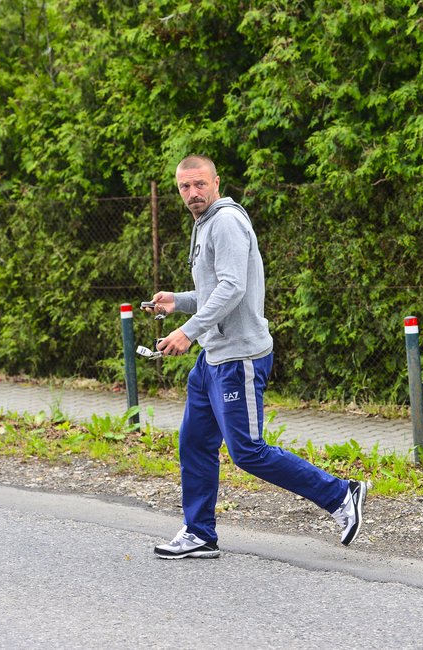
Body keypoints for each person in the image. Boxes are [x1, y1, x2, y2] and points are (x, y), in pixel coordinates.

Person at [143, 154, 368, 560]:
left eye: (199, 185)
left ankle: (340, 493)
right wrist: (178, 303)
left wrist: (187, 332)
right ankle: (199, 533)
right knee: (194, 443)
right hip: (213, 357)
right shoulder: (204, 224)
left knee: (247, 451)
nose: (192, 194)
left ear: (215, 182)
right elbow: (217, 292)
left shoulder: (225, 221)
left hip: (238, 359)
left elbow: (232, 290)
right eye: (184, 187)